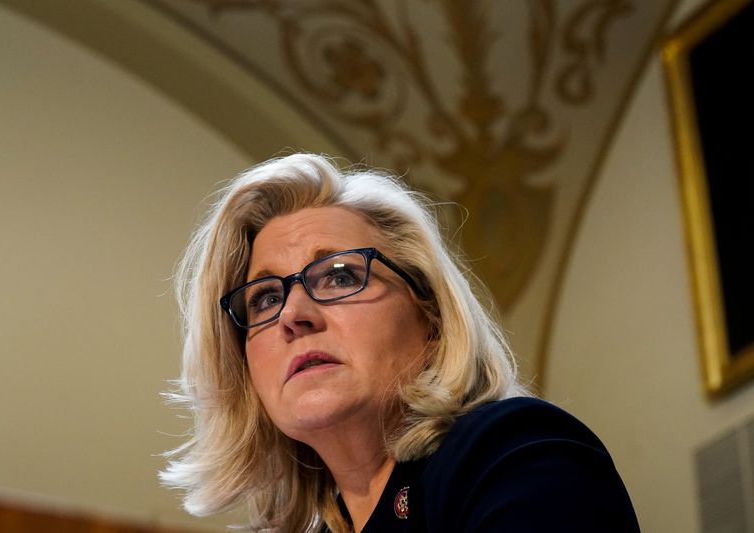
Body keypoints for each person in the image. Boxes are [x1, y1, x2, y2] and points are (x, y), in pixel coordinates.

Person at [161, 153, 639, 532]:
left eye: (339, 275)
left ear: (430, 313)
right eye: (265, 299)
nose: (293, 315)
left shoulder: (511, 451)